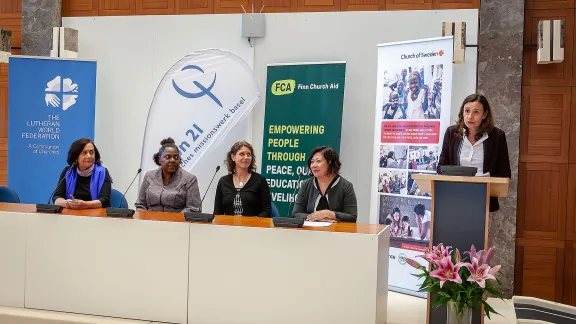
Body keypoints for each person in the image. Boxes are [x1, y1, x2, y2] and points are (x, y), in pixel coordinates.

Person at [438, 94, 511, 212]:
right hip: (455, 197)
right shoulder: (452, 133)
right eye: (467, 111)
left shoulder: (497, 136)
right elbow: (441, 167)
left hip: (484, 197)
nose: (470, 116)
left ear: (484, 114)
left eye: (476, 112)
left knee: (481, 230)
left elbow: (504, 172)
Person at [293, 146, 357, 223]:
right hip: (310, 231)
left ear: (330, 163)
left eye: (318, 161)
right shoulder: (306, 185)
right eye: (312, 162)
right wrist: (316, 218)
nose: (313, 165)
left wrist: (330, 214)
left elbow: (352, 217)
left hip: (336, 232)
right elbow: (295, 214)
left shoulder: (346, 186)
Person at [135, 138, 201, 213]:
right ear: (159, 159)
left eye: (176, 157)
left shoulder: (189, 179)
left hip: (177, 222)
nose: (172, 160)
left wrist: (172, 220)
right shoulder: (149, 176)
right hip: (149, 221)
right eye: (168, 157)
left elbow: (193, 208)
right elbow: (141, 205)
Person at [213, 141, 272, 217]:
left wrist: (254, 221)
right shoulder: (223, 181)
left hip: (252, 227)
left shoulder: (260, 180)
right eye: (242, 154)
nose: (246, 157)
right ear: (233, 157)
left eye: (249, 154)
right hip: (228, 227)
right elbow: (217, 212)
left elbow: (267, 211)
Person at [53, 138, 112, 209]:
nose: (89, 156)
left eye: (91, 152)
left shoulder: (102, 172)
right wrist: (66, 203)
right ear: (76, 157)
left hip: (95, 216)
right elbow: (56, 197)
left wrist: (85, 204)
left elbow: (105, 200)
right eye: (84, 153)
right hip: (71, 214)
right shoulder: (68, 172)